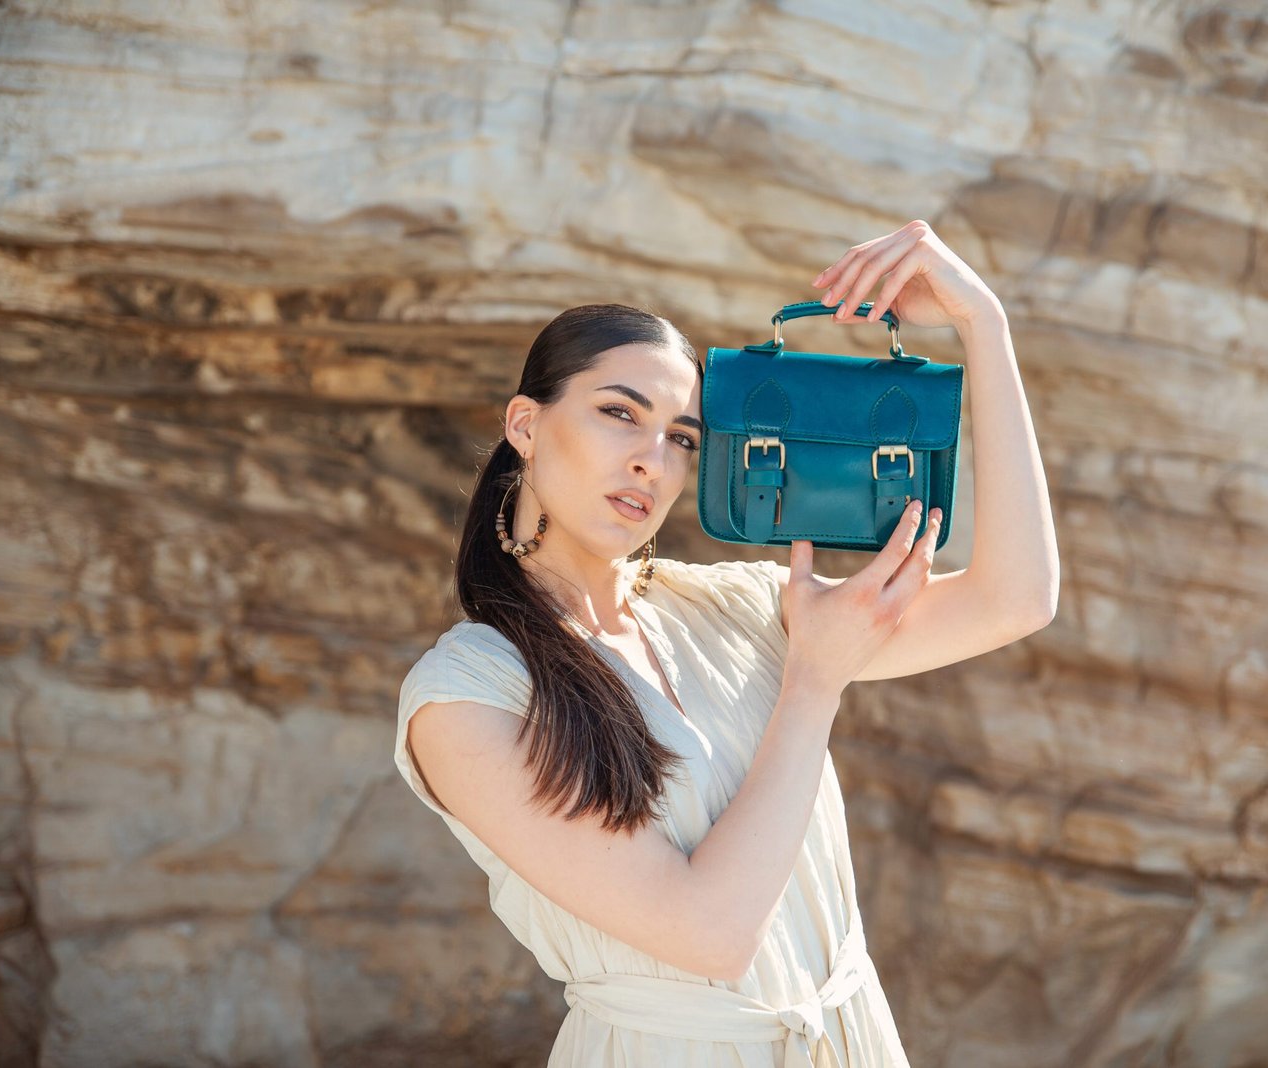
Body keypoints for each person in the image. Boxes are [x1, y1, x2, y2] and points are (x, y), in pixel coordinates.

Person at [394, 220, 1057, 1066]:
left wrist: (983, 324)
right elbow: (708, 934)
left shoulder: (733, 608)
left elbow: (1014, 598)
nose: (652, 461)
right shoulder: (466, 697)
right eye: (618, 414)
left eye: (682, 438)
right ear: (525, 424)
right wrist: (813, 683)